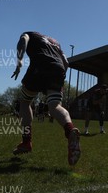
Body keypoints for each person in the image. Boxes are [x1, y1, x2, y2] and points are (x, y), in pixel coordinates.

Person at [11, 31, 81, 166]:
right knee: (55, 106)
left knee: (25, 103)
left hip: (39, 65)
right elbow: (66, 62)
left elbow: (23, 41)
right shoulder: (56, 43)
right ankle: (70, 130)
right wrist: (57, 78)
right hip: (58, 69)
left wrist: (19, 61)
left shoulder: (29, 34)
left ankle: (26, 142)